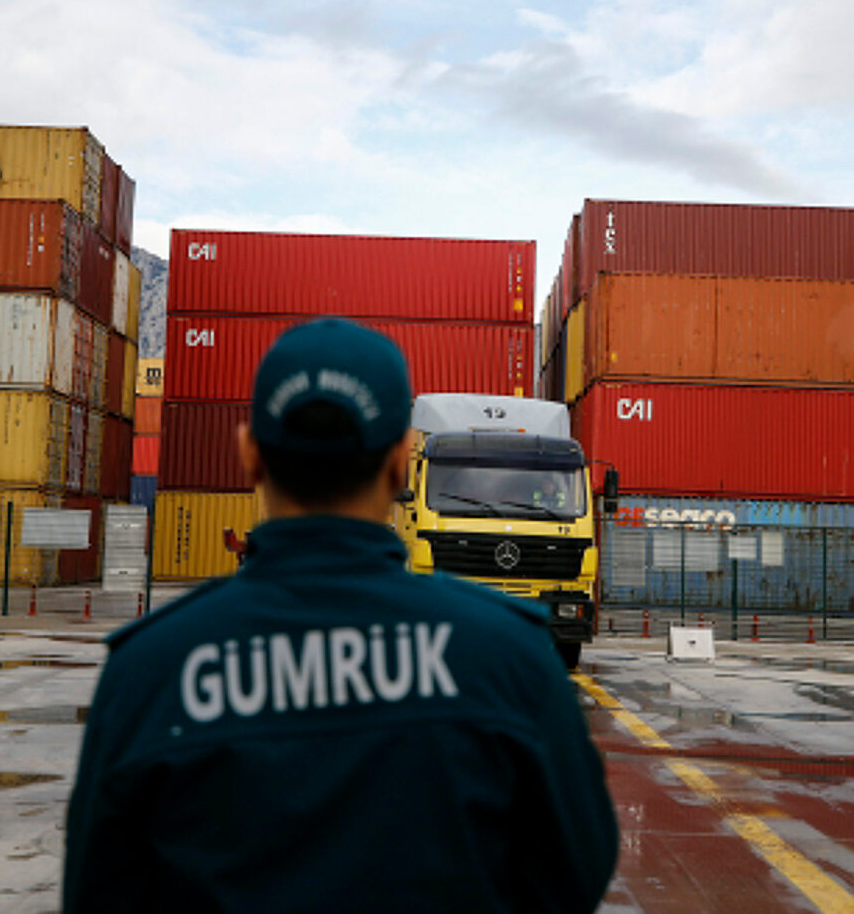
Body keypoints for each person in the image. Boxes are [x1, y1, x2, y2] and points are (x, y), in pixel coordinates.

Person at [63, 318, 618, 913]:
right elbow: (575, 873)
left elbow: (99, 893)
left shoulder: (150, 672)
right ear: (404, 462)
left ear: (250, 454)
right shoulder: (511, 660)